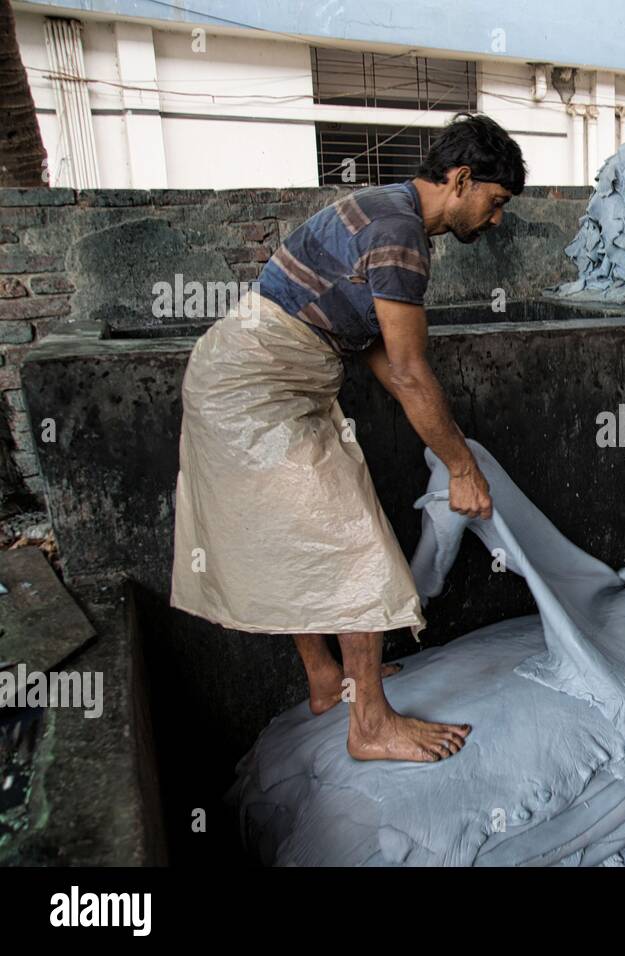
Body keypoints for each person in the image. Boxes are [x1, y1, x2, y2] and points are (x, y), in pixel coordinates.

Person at [170, 113, 526, 763]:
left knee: (300, 535)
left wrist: (452, 451)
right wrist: (463, 469)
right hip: (254, 390)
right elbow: (413, 371)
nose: (496, 219)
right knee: (353, 538)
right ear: (462, 179)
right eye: (496, 202)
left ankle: (326, 678)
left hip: (247, 378)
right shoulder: (400, 234)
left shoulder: (380, 212)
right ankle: (369, 725)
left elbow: (383, 361)